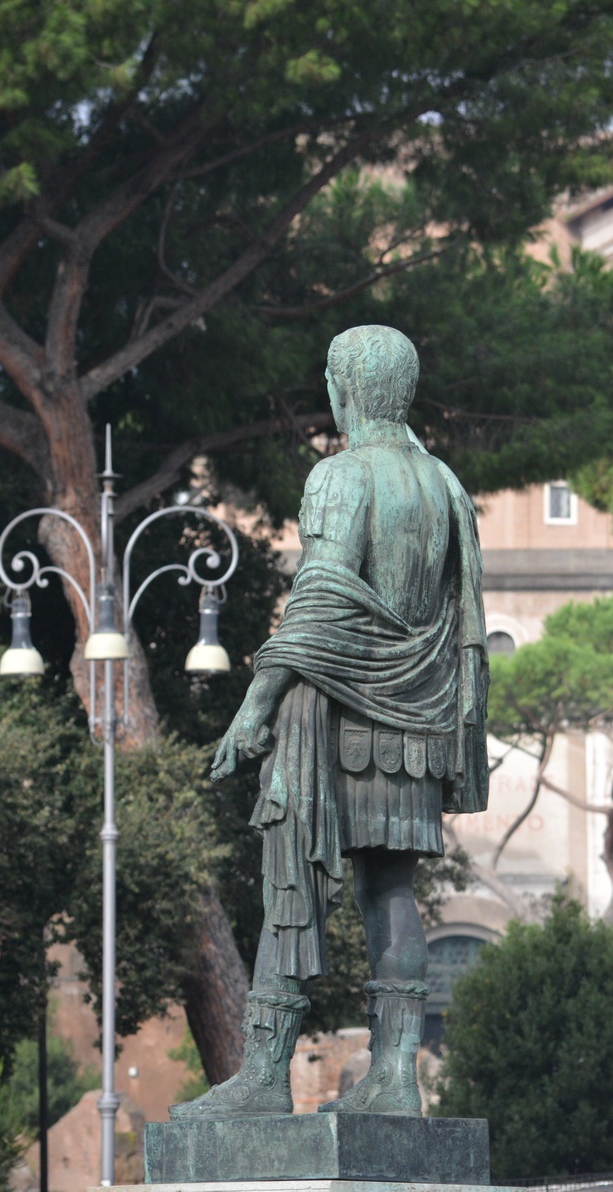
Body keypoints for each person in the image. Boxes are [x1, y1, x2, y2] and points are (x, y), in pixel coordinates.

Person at [170, 324, 488, 1121]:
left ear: (348, 388)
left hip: (332, 710)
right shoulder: (444, 484)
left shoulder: (340, 476)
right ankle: (396, 1078)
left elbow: (319, 597)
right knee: (391, 887)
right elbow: (459, 612)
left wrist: (254, 706)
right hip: (415, 720)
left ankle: (264, 1076)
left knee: (293, 883)